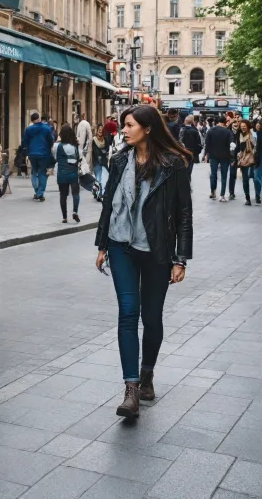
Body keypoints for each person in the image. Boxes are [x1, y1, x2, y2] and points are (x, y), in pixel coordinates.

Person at [95, 106, 192, 418]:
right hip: (121, 246)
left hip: (156, 250)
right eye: (124, 125)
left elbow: (183, 215)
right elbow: (109, 204)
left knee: (151, 318)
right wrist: (101, 245)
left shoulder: (173, 164)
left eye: (129, 125)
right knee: (127, 312)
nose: (124, 130)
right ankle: (131, 389)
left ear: (148, 128)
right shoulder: (119, 159)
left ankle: (147, 372)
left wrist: (180, 259)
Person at [20, 112, 54, 202]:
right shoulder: (47, 128)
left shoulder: (28, 129)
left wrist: (26, 149)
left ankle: (36, 190)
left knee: (34, 172)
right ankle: (40, 193)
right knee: (42, 173)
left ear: (32, 120)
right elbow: (51, 140)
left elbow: (24, 141)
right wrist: (49, 147)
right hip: (44, 154)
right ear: (39, 118)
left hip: (32, 154)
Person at [53, 124, 83, 223]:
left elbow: (54, 157)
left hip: (61, 174)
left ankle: (64, 217)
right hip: (73, 173)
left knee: (63, 195)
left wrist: (57, 141)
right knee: (75, 193)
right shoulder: (75, 146)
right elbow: (80, 157)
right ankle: (75, 211)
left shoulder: (58, 146)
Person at [205, 116, 233, 201]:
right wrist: (232, 157)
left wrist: (206, 154)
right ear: (224, 122)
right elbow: (231, 145)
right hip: (225, 156)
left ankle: (213, 192)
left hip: (213, 155)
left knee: (213, 174)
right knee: (224, 176)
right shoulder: (228, 132)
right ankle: (222, 195)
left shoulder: (210, 131)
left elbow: (207, 143)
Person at [235, 120, 256, 206]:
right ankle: (247, 197)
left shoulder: (252, 135)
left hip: (252, 158)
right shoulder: (238, 135)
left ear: (247, 126)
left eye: (244, 126)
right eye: (241, 126)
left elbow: (254, 146)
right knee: (245, 180)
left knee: (255, 178)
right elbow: (238, 147)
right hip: (243, 159)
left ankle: (257, 195)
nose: (243, 127)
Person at [91, 124, 109, 201]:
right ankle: (99, 193)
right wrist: (103, 152)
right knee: (99, 178)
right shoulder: (94, 140)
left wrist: (103, 152)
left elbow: (107, 149)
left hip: (104, 161)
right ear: (97, 130)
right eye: (99, 129)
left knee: (105, 178)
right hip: (96, 162)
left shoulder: (105, 139)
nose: (100, 131)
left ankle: (96, 191)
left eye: (102, 129)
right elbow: (95, 152)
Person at [228, 119, 241, 200]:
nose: (236, 124)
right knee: (231, 174)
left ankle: (231, 192)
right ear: (231, 124)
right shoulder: (228, 132)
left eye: (237, 122)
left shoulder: (240, 133)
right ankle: (231, 192)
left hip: (238, 156)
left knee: (233, 174)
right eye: (234, 122)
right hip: (228, 156)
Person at [254, 120, 262, 205]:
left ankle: (257, 195)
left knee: (257, 177)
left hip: (259, 158)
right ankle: (257, 195)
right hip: (258, 157)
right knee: (257, 177)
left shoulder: (258, 134)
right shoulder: (257, 133)